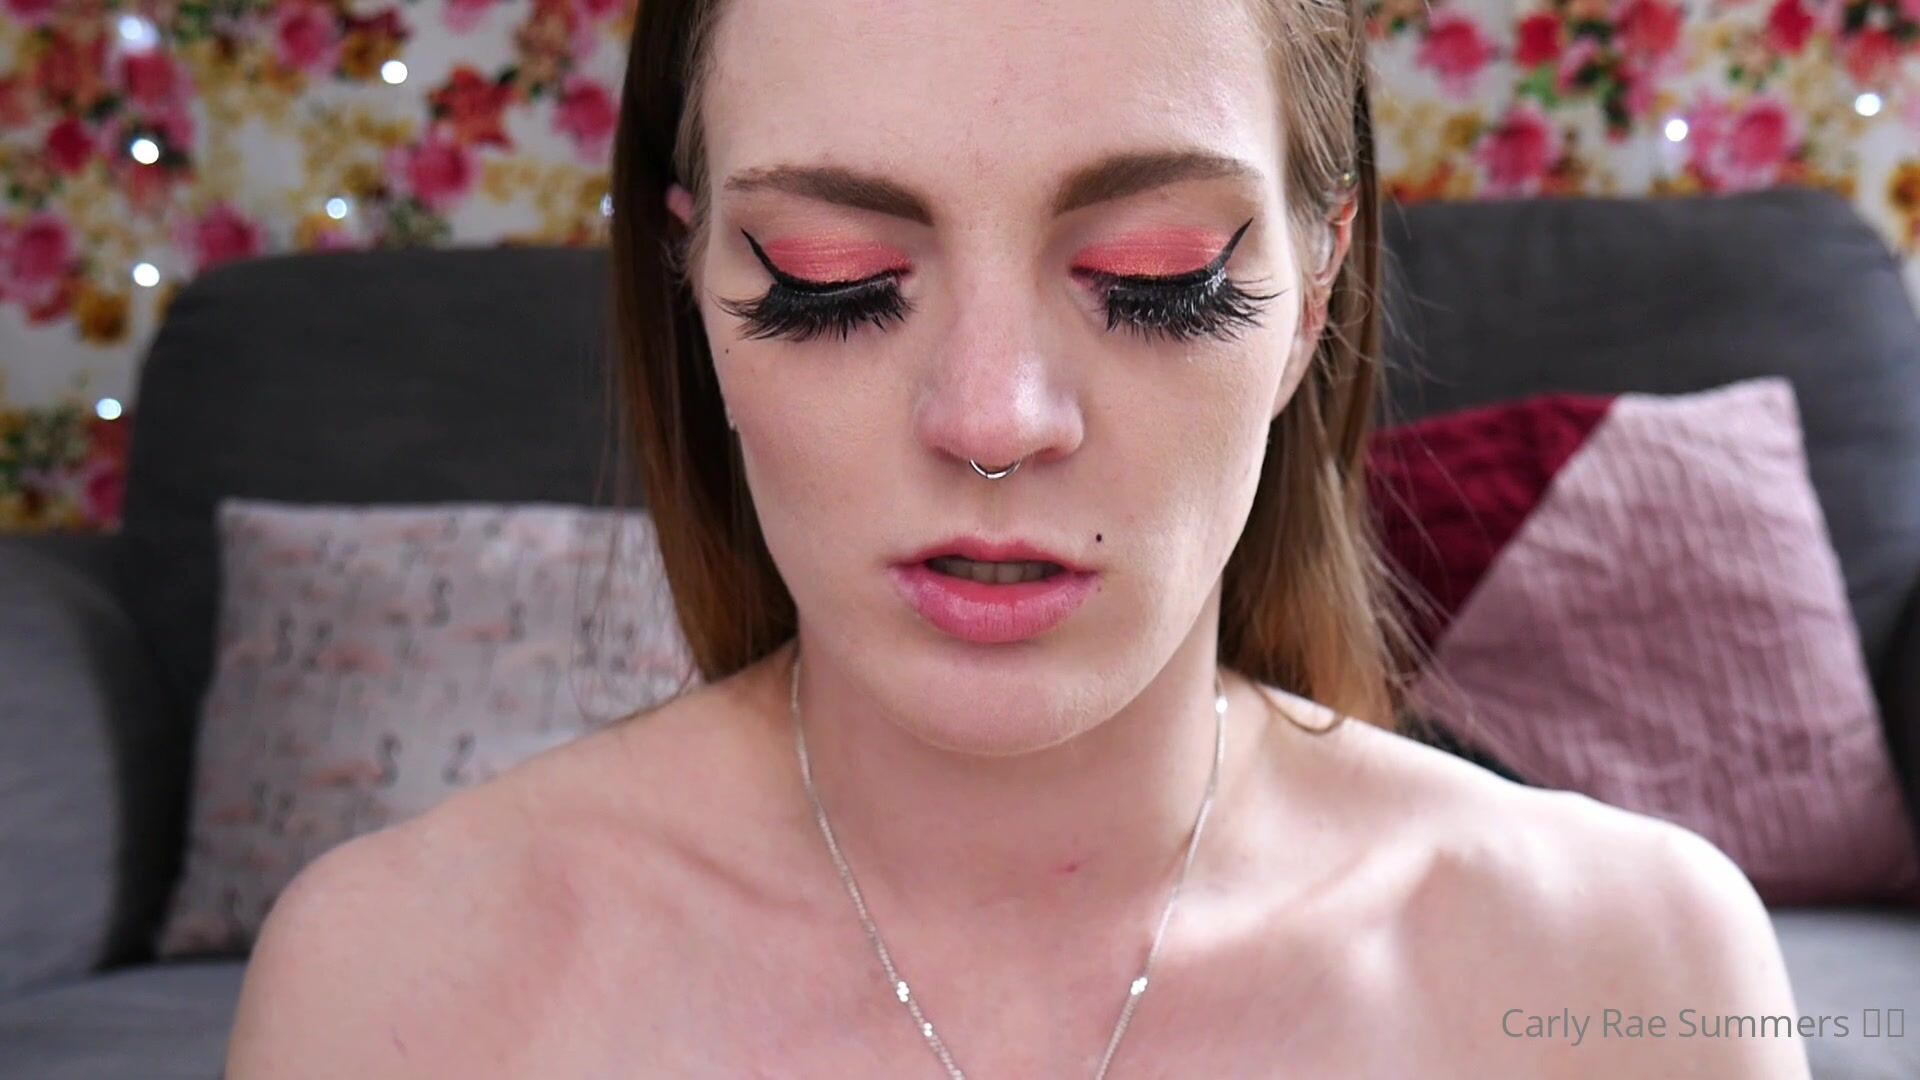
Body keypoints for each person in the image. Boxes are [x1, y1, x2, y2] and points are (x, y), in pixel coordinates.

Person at [224, 0, 1812, 1076]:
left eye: (1156, 277)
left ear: (1313, 290)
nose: (992, 420)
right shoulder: (396, 992)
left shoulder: (1635, 973)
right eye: (833, 280)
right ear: (695, 286)